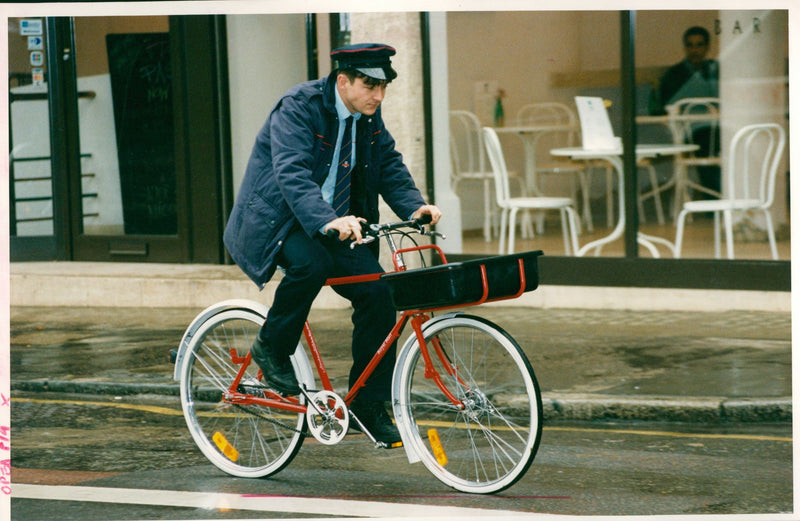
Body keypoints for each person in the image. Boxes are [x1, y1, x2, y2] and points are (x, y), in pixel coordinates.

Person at [223, 43, 441, 445]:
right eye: (369, 85)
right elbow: (291, 171)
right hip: (281, 220)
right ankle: (271, 346)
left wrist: (416, 207)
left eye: (383, 86)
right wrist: (326, 220)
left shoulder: (366, 117)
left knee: (377, 293)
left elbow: (389, 165)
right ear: (343, 81)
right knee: (311, 264)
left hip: (337, 224)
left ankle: (367, 405)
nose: (378, 95)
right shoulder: (298, 107)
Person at [649, 26, 720, 197]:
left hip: (718, 125)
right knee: (707, 143)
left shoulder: (716, 69)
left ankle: (720, 198)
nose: (694, 50)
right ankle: (714, 199)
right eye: (690, 45)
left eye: (699, 45)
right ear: (685, 47)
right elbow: (661, 109)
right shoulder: (674, 75)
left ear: (707, 47)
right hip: (689, 129)